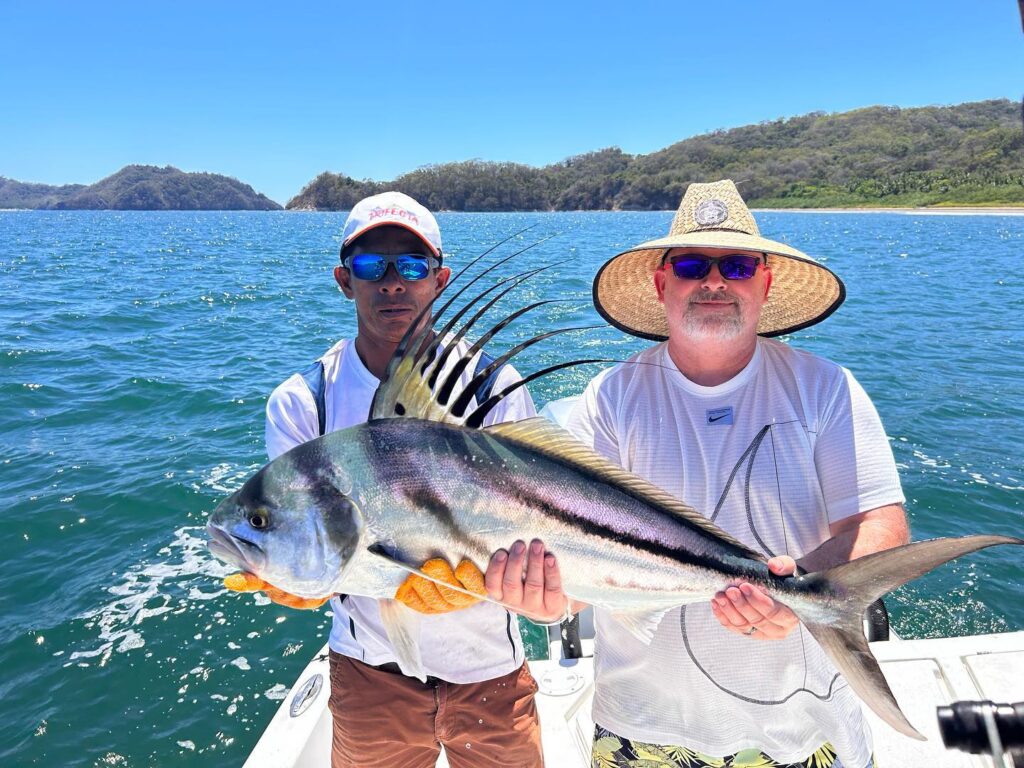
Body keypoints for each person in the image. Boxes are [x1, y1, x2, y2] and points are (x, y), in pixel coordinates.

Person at [486, 180, 909, 768]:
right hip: (641, 727)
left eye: (736, 265)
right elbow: (571, 568)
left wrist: (805, 588)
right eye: (691, 264)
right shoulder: (609, 400)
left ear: (765, 282)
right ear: (663, 285)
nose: (714, 281)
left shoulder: (827, 389)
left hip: (805, 729)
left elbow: (881, 524)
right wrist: (544, 601)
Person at [261, 191, 544, 768]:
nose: (393, 282)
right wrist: (289, 575)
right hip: (370, 672)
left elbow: (536, 518)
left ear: (438, 281)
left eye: (412, 266)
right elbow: (309, 541)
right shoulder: (301, 403)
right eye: (372, 265)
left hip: (488, 663)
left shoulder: (493, 387)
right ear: (345, 280)